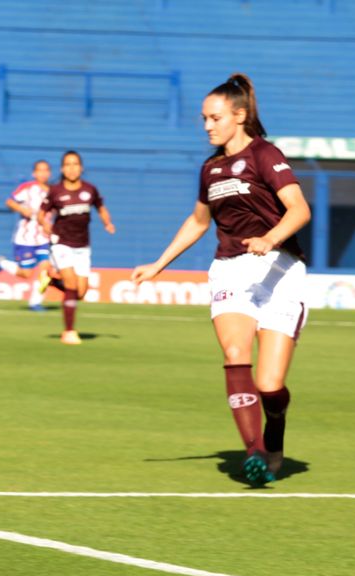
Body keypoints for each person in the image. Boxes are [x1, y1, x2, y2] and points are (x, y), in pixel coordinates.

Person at [131, 73, 311, 485]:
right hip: (231, 268)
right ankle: (254, 455)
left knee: (270, 385)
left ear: (239, 116)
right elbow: (198, 222)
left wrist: (271, 237)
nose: (207, 126)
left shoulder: (266, 155)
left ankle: (274, 433)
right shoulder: (210, 169)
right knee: (235, 352)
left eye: (214, 118)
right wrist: (159, 263)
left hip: (280, 271)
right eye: (204, 119)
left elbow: (299, 210)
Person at [40, 150, 115, 344]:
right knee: (71, 286)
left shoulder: (90, 190)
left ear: (81, 168)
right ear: (62, 169)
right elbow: (42, 213)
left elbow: (100, 207)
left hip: (83, 246)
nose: (72, 168)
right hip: (61, 242)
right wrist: (45, 224)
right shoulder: (55, 191)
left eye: (75, 164)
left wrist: (107, 222)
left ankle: (50, 280)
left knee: (80, 292)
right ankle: (69, 331)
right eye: (68, 164)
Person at [0, 159, 56, 310]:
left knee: (46, 269)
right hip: (25, 238)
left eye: (46, 170)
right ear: (34, 173)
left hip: (44, 238)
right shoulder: (27, 188)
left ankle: (36, 302)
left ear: (50, 173)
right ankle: (2, 263)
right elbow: (9, 202)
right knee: (26, 273)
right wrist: (22, 209)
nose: (43, 173)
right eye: (40, 170)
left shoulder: (54, 191)